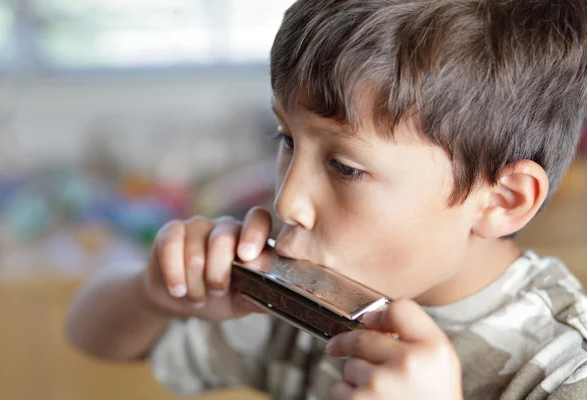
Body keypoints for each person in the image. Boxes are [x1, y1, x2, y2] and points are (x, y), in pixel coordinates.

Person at [65, 1, 587, 399]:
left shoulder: (563, 367)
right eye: (285, 139)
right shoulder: (302, 298)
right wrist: (155, 292)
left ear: (502, 200)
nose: (288, 198)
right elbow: (90, 336)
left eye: (345, 167)